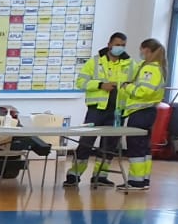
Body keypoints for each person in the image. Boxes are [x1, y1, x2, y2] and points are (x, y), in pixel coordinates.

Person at [65, 32, 136, 188]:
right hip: (96, 109)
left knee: (109, 145)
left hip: (117, 111)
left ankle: (100, 176)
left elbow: (135, 84)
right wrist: (100, 85)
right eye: (117, 44)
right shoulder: (95, 61)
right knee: (86, 141)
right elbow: (81, 82)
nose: (120, 48)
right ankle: (74, 174)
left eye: (123, 45)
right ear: (109, 44)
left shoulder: (130, 64)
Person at [118, 39, 167, 191]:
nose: (140, 52)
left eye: (141, 49)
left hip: (140, 112)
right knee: (144, 147)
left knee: (136, 146)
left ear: (147, 50)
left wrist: (128, 87)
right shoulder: (156, 67)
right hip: (147, 112)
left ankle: (136, 181)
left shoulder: (150, 69)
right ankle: (143, 179)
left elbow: (143, 91)